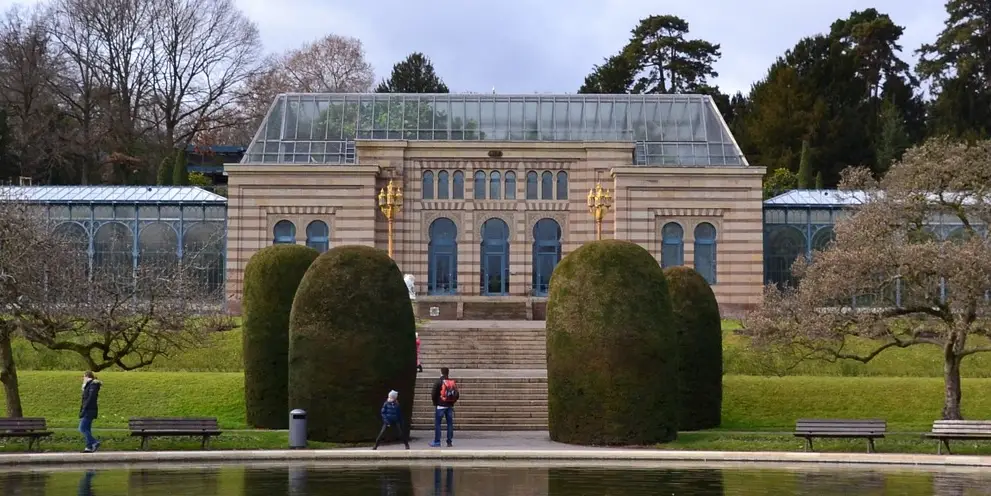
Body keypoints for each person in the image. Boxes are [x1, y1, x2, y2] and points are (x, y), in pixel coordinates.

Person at [429, 367, 458, 447]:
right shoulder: (451, 382)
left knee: (438, 424)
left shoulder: (438, 382)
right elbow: (457, 394)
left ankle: (437, 441)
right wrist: (452, 402)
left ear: (441, 373)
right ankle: (449, 442)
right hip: (449, 406)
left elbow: (433, 394)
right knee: (450, 424)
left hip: (440, 406)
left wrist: (435, 403)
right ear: (448, 373)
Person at [79, 371, 102, 453]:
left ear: (87, 376)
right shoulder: (88, 385)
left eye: (84, 376)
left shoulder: (93, 385)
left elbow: (90, 398)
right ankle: (88, 447)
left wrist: (84, 409)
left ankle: (94, 442)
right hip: (88, 409)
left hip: (89, 410)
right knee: (87, 429)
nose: (83, 378)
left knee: (82, 428)